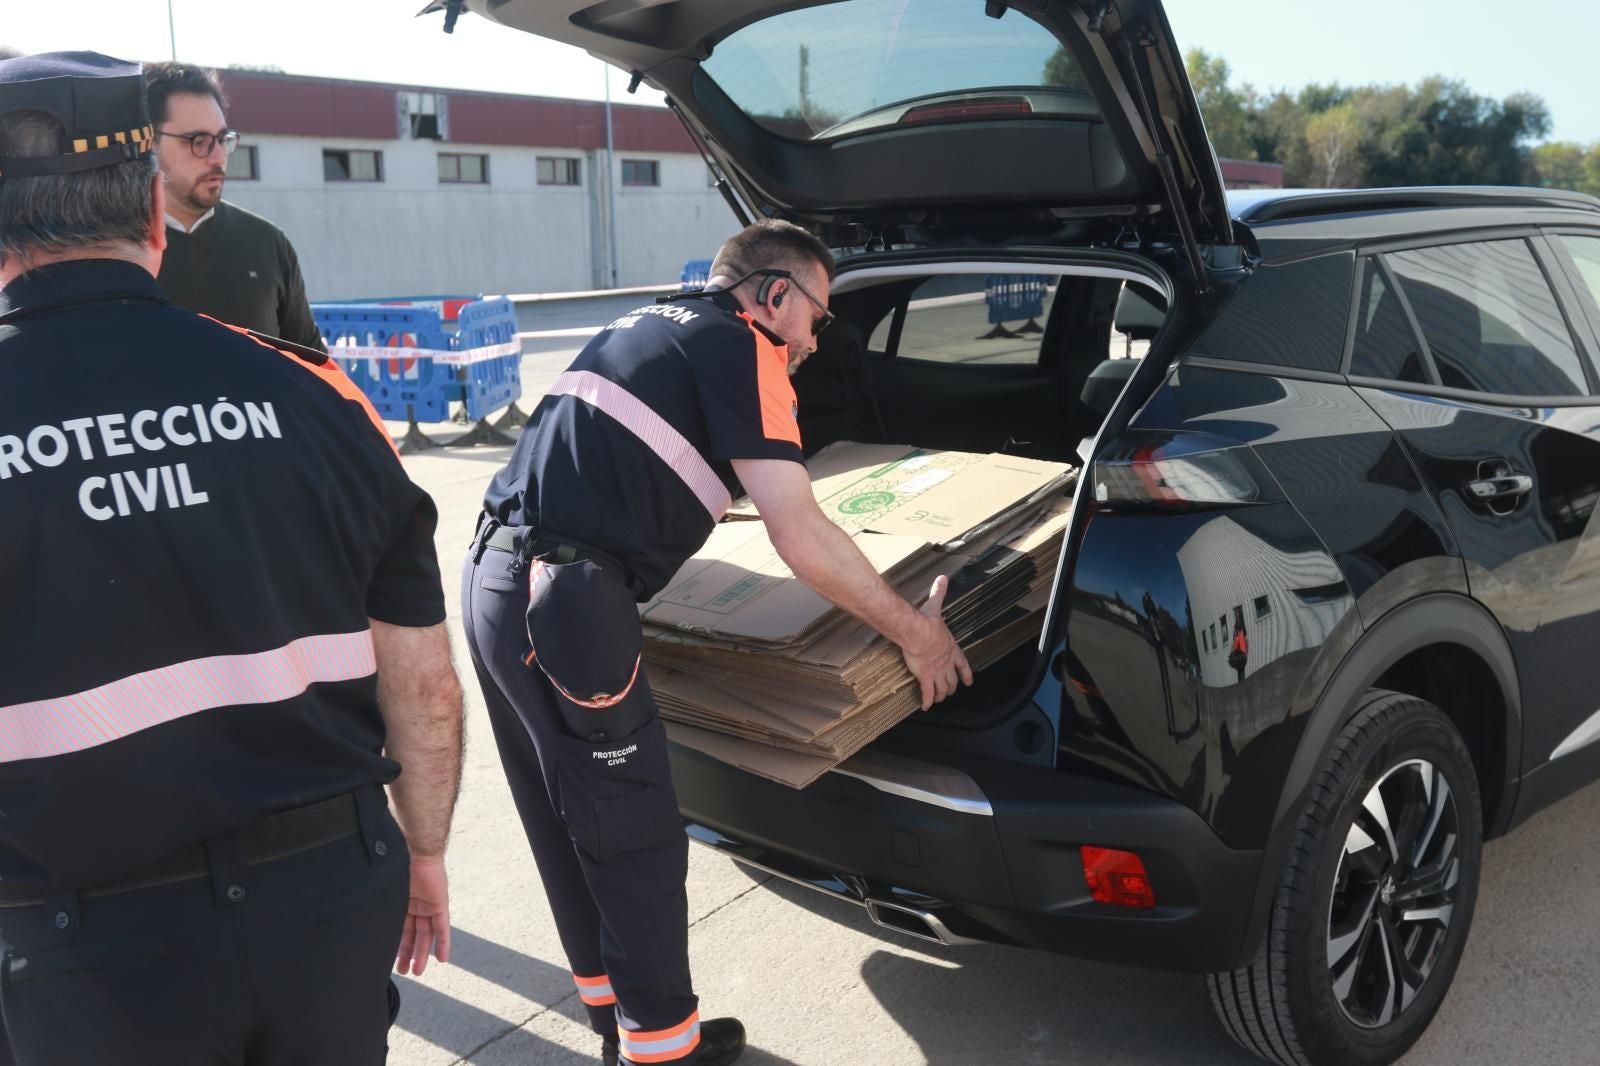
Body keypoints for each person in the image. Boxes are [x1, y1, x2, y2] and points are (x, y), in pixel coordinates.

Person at [0, 52, 462, 1065]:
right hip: (331, 901)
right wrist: (422, 847)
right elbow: (423, 684)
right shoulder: (316, 397)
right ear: (156, 220)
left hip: (82, 952)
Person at [462, 219, 972, 1066]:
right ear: (773, 297)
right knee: (634, 830)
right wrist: (915, 633)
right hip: (568, 604)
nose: (816, 340)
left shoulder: (650, 325)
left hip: (496, 576)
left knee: (567, 817)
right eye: (818, 316)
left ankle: (620, 1019)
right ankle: (663, 1049)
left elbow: (645, 467)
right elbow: (798, 533)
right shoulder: (747, 349)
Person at [142, 61, 325, 351]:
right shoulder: (116, 250)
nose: (217, 157)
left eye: (222, 139)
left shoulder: (267, 243)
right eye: (198, 141)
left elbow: (313, 366)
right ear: (150, 143)